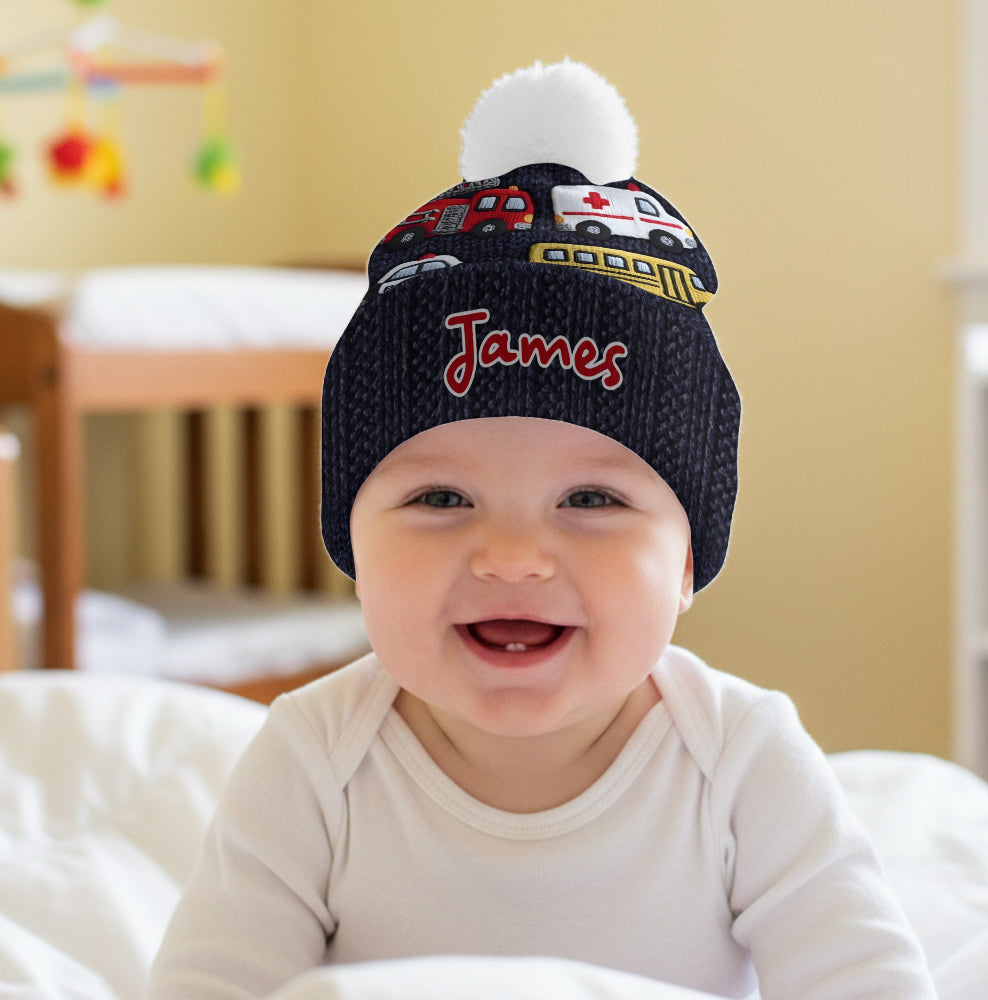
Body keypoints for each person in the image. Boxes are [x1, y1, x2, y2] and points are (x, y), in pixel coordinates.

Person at [143, 61, 937, 1000]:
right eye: (440, 500)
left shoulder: (740, 761)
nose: (512, 558)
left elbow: (866, 980)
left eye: (592, 501)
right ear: (352, 545)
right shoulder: (314, 760)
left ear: (687, 561)